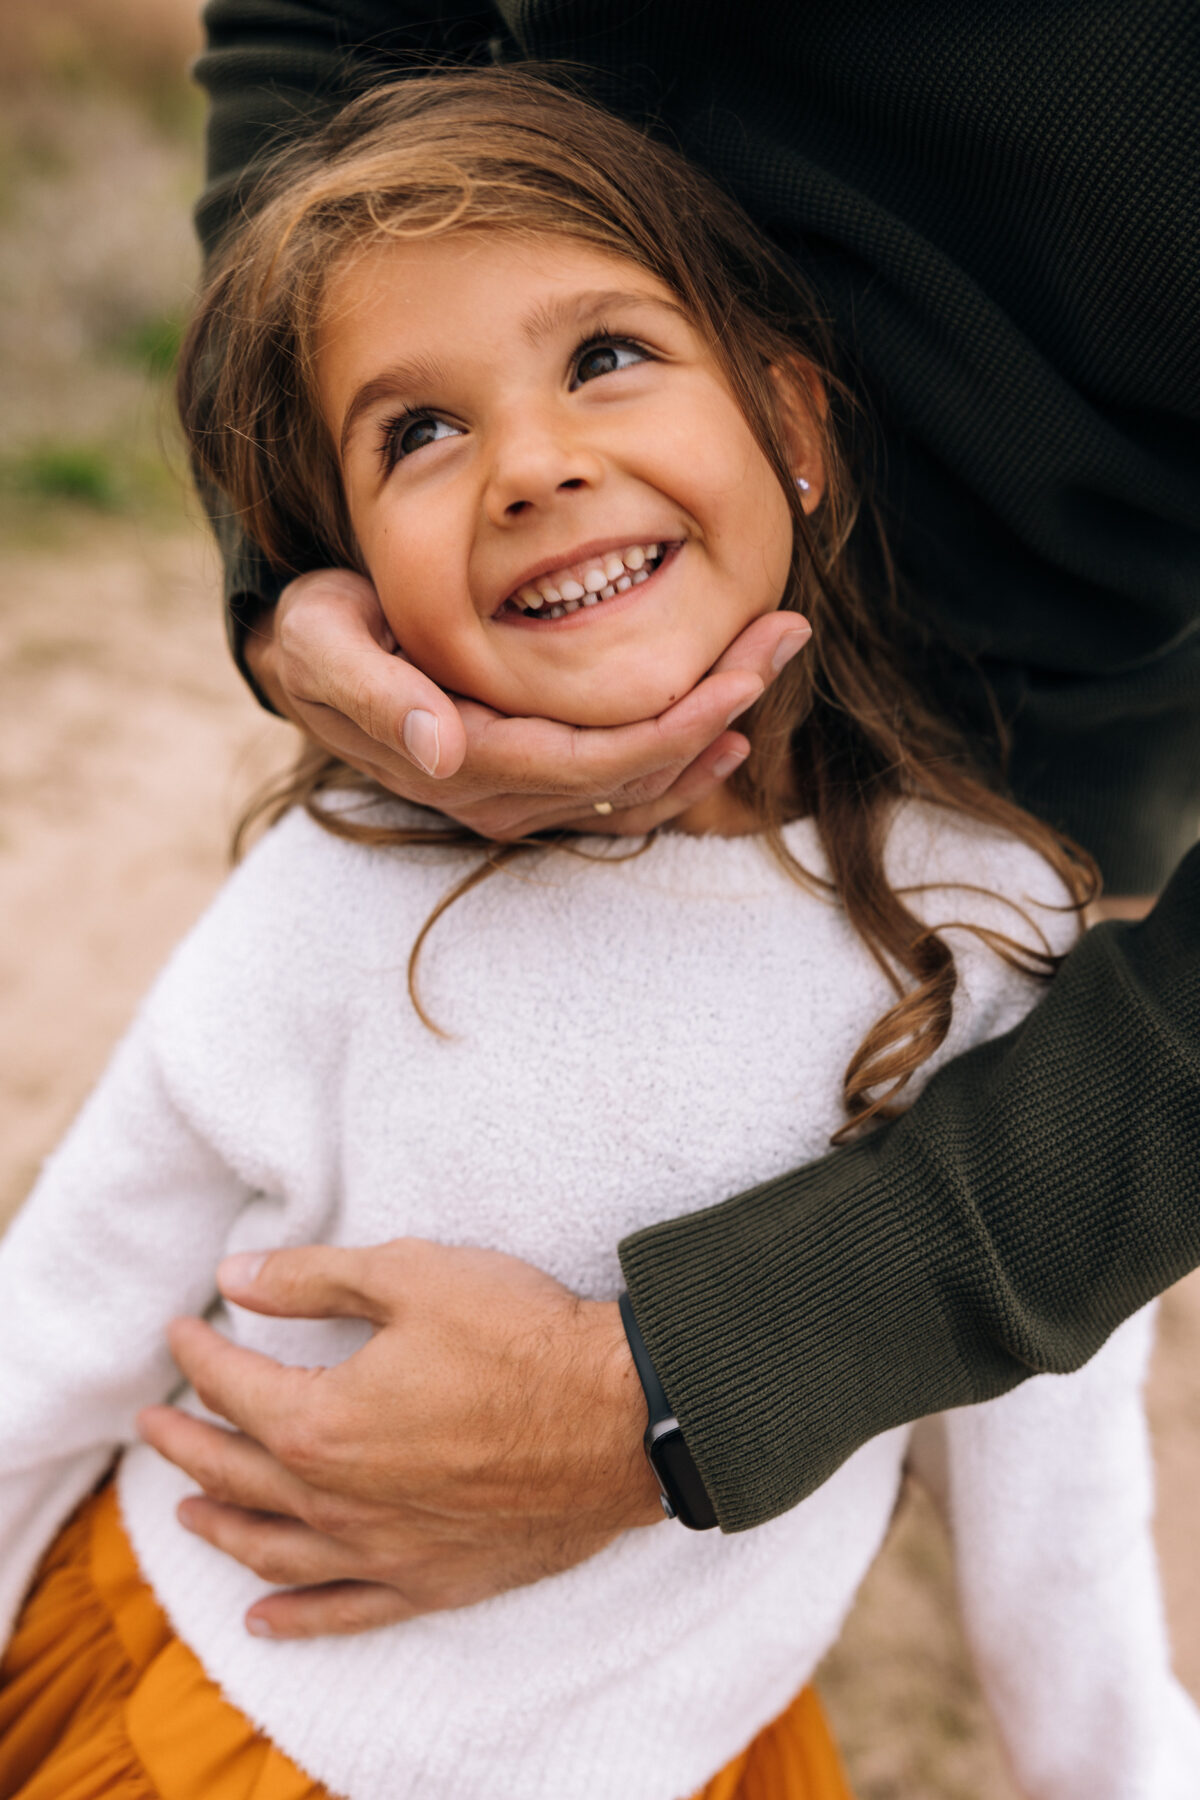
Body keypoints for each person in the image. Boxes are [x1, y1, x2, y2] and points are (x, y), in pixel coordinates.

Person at [5, 70, 1197, 1798]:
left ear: (790, 418)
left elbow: (1055, 1515)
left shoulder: (989, 938)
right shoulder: (341, 884)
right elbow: (51, 1337)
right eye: (417, 433)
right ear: (340, 580)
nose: (532, 466)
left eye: (605, 358)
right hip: (210, 1729)